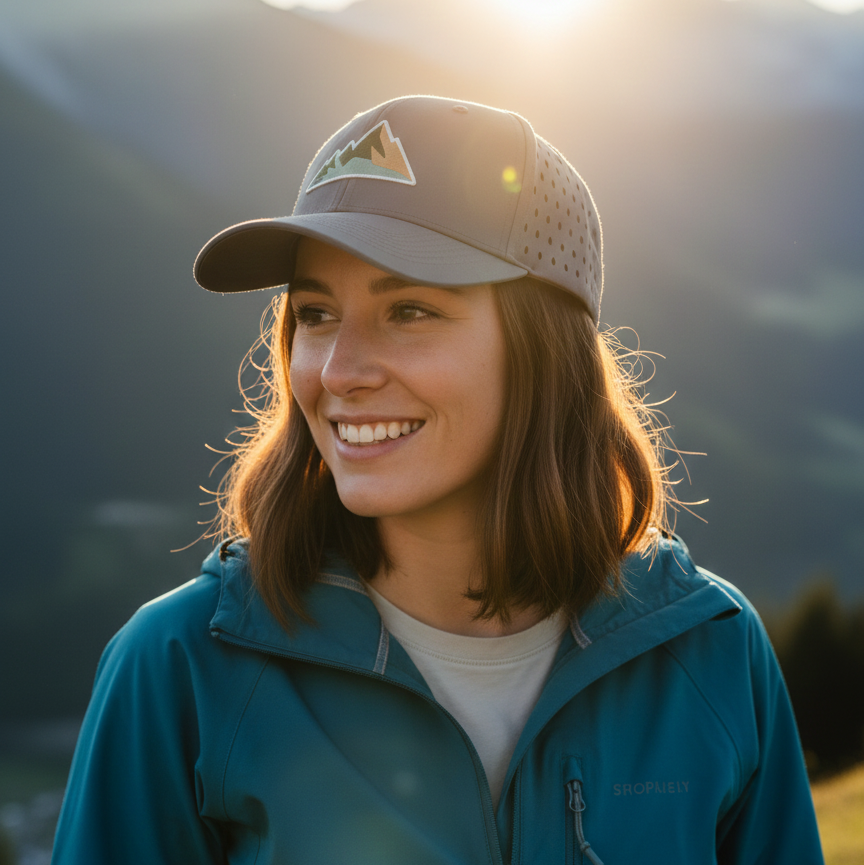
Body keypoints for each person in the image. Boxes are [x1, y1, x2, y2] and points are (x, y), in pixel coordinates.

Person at [51, 95, 823, 864]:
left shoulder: (713, 653)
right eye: (315, 314)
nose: (339, 372)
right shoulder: (180, 666)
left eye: (410, 310)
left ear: (543, 350)